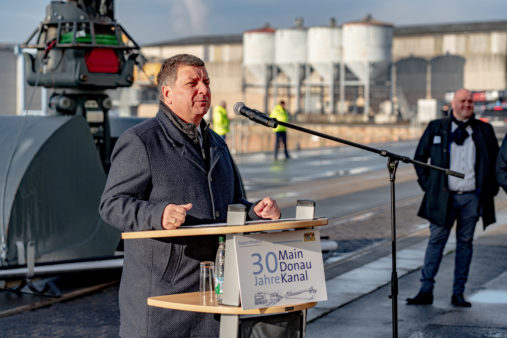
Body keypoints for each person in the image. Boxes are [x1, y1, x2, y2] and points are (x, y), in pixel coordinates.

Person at [99, 54, 281, 337]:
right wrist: (158, 214)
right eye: (192, 83)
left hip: (214, 297)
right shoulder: (141, 141)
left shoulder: (218, 144)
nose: (204, 90)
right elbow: (111, 204)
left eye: (206, 82)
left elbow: (231, 205)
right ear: (167, 93)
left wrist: (254, 211)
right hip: (163, 304)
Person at [406, 88, 499, 307]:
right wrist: (430, 186)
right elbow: (419, 158)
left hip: (471, 199)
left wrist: (489, 190)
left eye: (470, 101)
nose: (467, 104)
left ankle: (459, 292)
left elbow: (496, 162)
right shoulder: (436, 127)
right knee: (436, 241)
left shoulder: (484, 130)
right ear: (453, 104)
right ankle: (425, 289)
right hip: (443, 199)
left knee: (465, 243)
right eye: (463, 101)